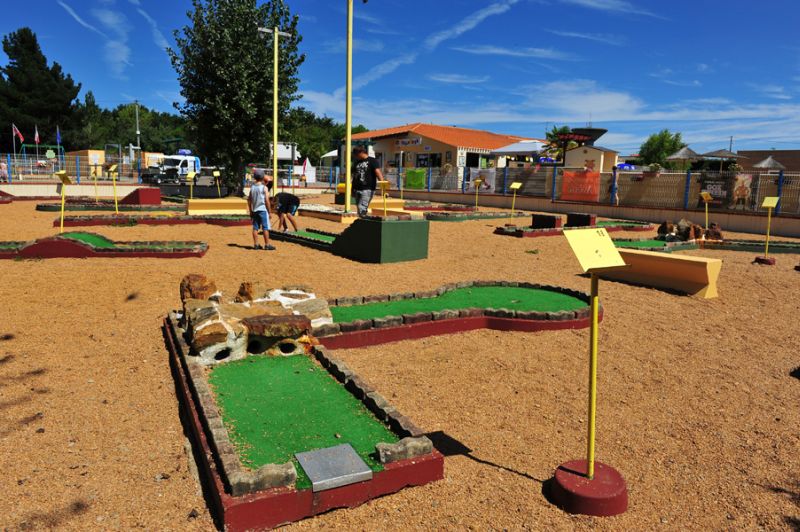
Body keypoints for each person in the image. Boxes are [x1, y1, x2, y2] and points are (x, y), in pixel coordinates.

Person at [247, 169, 275, 250]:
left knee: (255, 228)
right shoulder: (264, 188)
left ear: (254, 177)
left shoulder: (252, 188)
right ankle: (267, 245)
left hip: (255, 210)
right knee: (265, 228)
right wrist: (269, 212)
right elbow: (267, 200)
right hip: (263, 210)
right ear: (263, 177)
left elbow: (249, 200)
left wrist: (251, 210)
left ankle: (256, 244)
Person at [352, 146, 383, 217]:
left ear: (362, 152)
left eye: (356, 154)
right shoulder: (356, 162)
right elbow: (354, 176)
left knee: (361, 208)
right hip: (357, 189)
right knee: (360, 209)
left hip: (367, 189)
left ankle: (365, 222)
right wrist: (352, 189)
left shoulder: (372, 161)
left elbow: (378, 172)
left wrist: (382, 185)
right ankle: (364, 222)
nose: (355, 156)